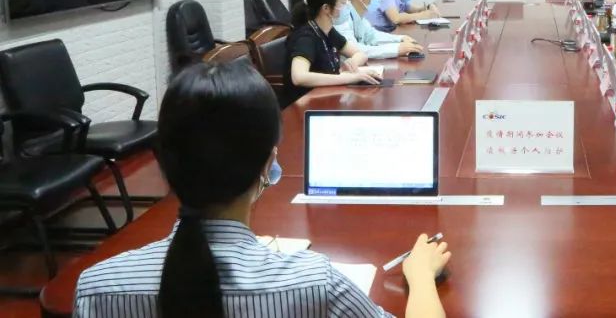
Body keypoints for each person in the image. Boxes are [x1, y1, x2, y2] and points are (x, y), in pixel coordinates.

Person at [73, 62, 451, 317]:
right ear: (269, 163)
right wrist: (419, 275)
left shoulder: (96, 288)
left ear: (164, 161)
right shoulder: (315, 283)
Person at [285, 0, 381, 106]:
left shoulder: (329, 31)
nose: (348, 5)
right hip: (304, 106)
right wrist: (347, 77)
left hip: (327, 98)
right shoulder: (306, 37)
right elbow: (299, 77)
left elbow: (360, 54)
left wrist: (352, 63)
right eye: (343, 2)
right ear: (326, 8)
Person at [337, 0, 425, 59]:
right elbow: (355, 49)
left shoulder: (359, 15)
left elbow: (372, 36)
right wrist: (396, 49)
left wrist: (400, 39)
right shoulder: (341, 18)